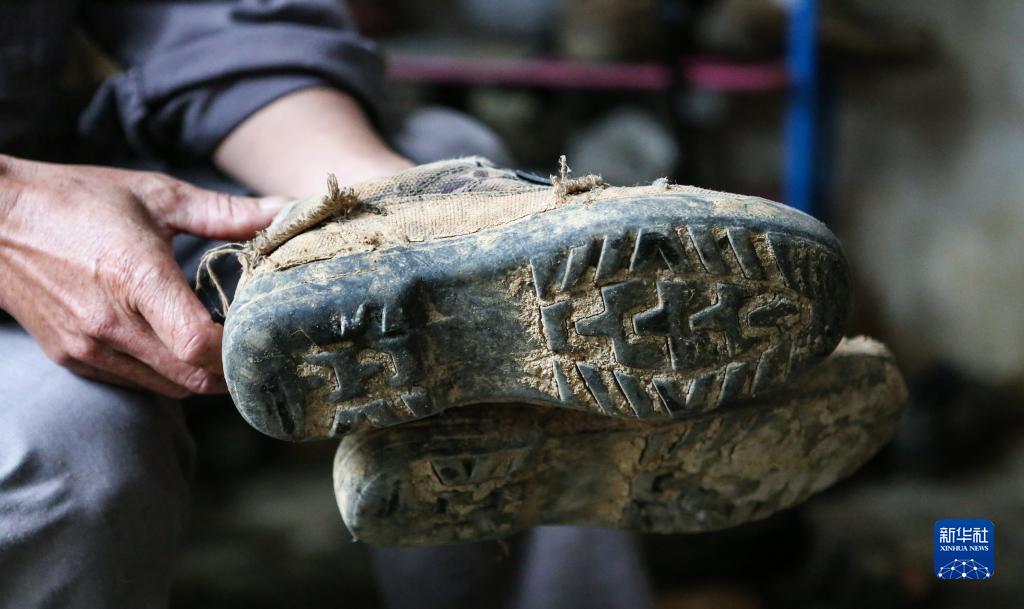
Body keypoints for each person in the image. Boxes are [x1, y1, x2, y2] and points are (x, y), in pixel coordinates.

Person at [0, 2, 657, 607]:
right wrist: (13, 214)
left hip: (72, 168)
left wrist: (380, 197)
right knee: (71, 455)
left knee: (459, 185)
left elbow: (210, 19)